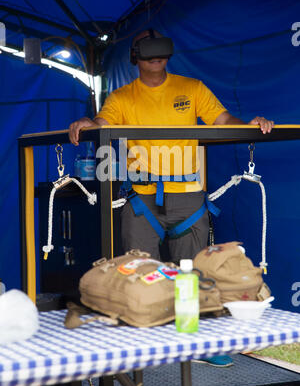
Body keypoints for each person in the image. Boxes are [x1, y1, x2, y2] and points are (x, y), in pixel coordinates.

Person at [69, 29, 274, 367]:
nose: (155, 55)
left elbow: (223, 121)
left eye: (160, 47)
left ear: (169, 52)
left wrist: (250, 125)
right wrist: (86, 121)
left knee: (191, 274)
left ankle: (194, 343)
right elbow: (102, 122)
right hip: (141, 199)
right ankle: (147, 349)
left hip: (188, 198)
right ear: (135, 56)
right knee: (141, 274)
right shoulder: (122, 97)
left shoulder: (191, 89)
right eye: (147, 49)